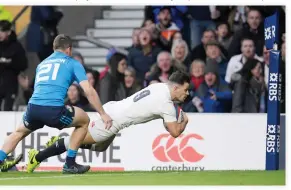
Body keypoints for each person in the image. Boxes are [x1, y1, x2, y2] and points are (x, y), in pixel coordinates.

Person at [26, 70, 190, 173]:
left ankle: (64, 143)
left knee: (102, 147)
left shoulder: (159, 87)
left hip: (113, 108)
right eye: (185, 89)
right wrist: (184, 121)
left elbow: (162, 117)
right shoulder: (166, 104)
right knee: (76, 141)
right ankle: (37, 157)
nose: (187, 93)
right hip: (113, 121)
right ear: (175, 88)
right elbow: (175, 132)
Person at [0, 34, 113, 174]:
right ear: (69, 49)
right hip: (52, 109)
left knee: (18, 132)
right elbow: (88, 90)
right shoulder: (72, 63)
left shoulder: (42, 64)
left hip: (33, 107)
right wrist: (102, 113)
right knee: (84, 120)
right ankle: (70, 164)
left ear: (54, 48)